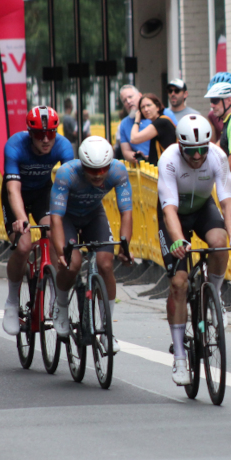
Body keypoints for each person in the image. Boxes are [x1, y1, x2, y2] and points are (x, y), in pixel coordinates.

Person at [157, 114, 231, 385]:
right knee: (179, 283)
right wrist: (179, 240)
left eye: (202, 150)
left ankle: (214, 296)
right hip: (175, 216)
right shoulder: (169, 160)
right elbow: (168, 209)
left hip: (203, 207)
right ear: (180, 146)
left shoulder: (217, 156)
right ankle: (180, 356)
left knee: (219, 243)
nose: (197, 157)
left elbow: (227, 201)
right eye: (191, 151)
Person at [49, 136, 134, 350]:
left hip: (93, 215)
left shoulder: (118, 171)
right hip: (67, 217)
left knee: (106, 263)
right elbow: (56, 218)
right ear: (83, 165)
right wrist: (62, 253)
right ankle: (60, 305)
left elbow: (127, 213)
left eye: (102, 170)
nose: (98, 176)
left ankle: (107, 331)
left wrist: (125, 247)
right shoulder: (67, 173)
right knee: (73, 263)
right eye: (92, 170)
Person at [1, 106, 73, 336]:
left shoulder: (63, 146)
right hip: (17, 194)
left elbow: (69, 185)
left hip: (43, 193)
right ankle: (12, 301)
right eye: (40, 134)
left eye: (50, 133)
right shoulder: (14, 145)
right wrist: (21, 219)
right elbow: (13, 189)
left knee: (54, 233)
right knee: (23, 246)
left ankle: (51, 285)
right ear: (29, 132)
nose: (45, 139)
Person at [128, 93, 176, 165]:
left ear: (157, 107)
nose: (146, 109)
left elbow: (133, 139)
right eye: (142, 107)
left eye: (148, 105)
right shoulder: (160, 122)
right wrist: (145, 157)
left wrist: (137, 120)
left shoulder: (161, 122)